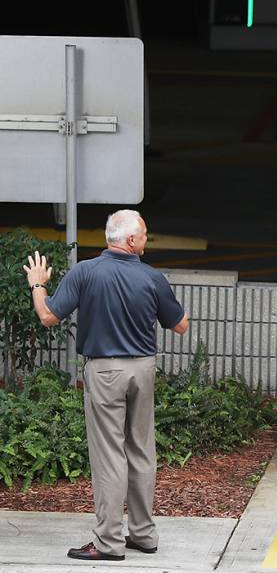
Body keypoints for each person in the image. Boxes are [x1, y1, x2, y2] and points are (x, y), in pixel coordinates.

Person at [23, 210, 189, 561]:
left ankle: (109, 542)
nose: (146, 239)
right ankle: (143, 535)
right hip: (143, 370)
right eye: (144, 234)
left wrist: (38, 284)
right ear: (130, 240)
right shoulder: (152, 277)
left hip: (105, 371)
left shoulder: (86, 272)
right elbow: (181, 326)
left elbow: (48, 316)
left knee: (109, 455)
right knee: (142, 451)